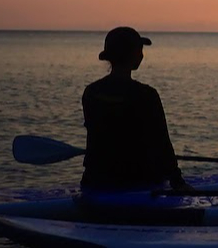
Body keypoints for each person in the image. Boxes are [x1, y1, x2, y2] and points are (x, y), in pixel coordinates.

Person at [81, 26, 192, 193]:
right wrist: (177, 181)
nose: (141, 55)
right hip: (138, 180)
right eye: (139, 50)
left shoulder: (91, 92)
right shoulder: (146, 95)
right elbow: (161, 142)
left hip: (95, 179)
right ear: (131, 55)